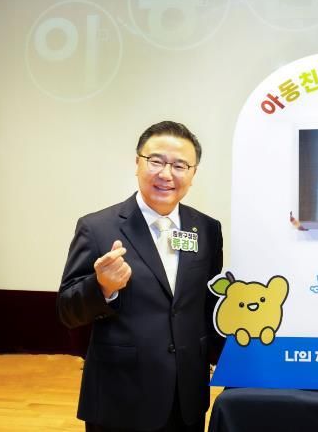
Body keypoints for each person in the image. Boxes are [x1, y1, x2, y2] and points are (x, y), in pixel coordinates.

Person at [57, 121, 223, 431]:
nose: (166, 174)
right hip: (121, 396)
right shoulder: (97, 227)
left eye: (179, 165)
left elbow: (208, 305)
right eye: (156, 161)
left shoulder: (207, 229)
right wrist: (102, 287)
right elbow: (67, 310)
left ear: (193, 173)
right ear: (137, 163)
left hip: (186, 394)